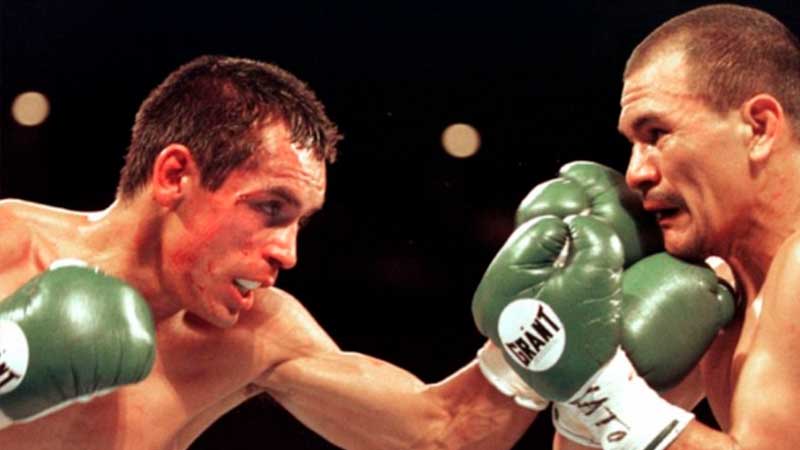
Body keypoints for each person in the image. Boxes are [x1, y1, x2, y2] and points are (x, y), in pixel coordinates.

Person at [0, 55, 541, 450]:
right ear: (175, 176)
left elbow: (442, 435)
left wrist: (540, 334)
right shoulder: (9, 244)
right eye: (270, 208)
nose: (288, 252)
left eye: (300, 222)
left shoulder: (253, 333)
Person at [475, 4, 800, 450]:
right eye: (632, 144)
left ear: (758, 127)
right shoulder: (716, 298)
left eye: (656, 134)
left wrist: (603, 389)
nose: (635, 174)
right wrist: (590, 369)